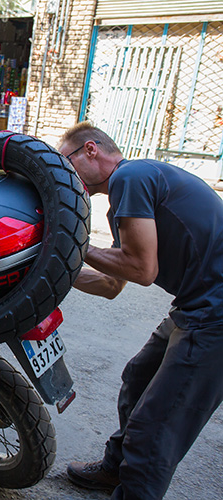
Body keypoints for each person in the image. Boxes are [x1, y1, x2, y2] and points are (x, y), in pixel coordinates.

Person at [57, 121, 223, 499]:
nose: (64, 173)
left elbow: (141, 269)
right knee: (139, 376)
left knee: (156, 427)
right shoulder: (127, 196)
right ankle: (115, 470)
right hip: (198, 304)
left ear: (91, 150)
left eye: (64, 162)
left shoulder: (131, 177)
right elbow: (112, 285)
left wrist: (74, 245)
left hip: (215, 311)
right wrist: (55, 270)